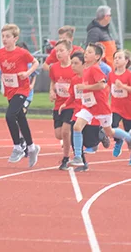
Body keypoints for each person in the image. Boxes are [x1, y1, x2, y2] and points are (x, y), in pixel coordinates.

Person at [68, 43, 131, 166]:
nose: (86, 54)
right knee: (77, 127)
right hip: (88, 107)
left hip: (100, 107)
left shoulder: (94, 68)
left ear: (97, 56)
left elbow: (102, 84)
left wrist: (85, 87)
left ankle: (129, 137)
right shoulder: (86, 69)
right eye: (86, 51)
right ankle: (78, 156)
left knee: (109, 132)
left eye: (89, 52)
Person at [0, 24, 40, 167]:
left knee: (10, 116)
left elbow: (36, 63)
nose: (4, 39)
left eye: (8, 37)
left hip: (22, 89)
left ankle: (18, 147)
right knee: (20, 118)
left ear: (15, 38)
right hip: (10, 90)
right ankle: (32, 147)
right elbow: (0, 65)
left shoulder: (22, 53)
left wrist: (27, 73)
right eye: (3, 36)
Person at [59, 51, 103, 171]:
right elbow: (72, 96)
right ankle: (82, 161)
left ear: (84, 65)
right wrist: (65, 104)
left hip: (91, 111)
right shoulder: (73, 80)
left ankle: (101, 135)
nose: (72, 66)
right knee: (75, 135)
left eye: (76, 63)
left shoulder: (89, 77)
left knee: (89, 142)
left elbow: (101, 89)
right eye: (72, 63)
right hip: (78, 112)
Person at [108, 49, 131, 166]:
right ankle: (119, 140)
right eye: (115, 57)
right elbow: (108, 89)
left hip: (129, 109)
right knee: (112, 127)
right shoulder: (111, 75)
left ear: (126, 61)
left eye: (119, 57)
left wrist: (123, 86)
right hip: (115, 107)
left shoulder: (129, 75)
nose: (116, 60)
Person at [49, 40, 76, 168]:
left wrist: (70, 91)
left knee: (65, 132)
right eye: (57, 51)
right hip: (58, 104)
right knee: (58, 134)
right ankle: (78, 135)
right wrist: (51, 92)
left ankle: (66, 158)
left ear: (69, 52)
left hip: (71, 104)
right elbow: (53, 82)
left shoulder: (74, 68)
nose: (58, 53)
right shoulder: (54, 67)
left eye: (61, 50)